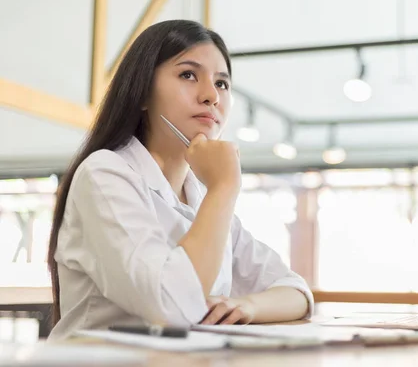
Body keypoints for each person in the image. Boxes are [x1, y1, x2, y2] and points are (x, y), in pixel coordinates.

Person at [46, 20, 313, 340]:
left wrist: (247, 306)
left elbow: (295, 291)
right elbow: (172, 306)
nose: (211, 96)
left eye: (222, 84)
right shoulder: (105, 174)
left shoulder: (200, 194)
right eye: (188, 75)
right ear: (142, 92)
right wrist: (225, 187)